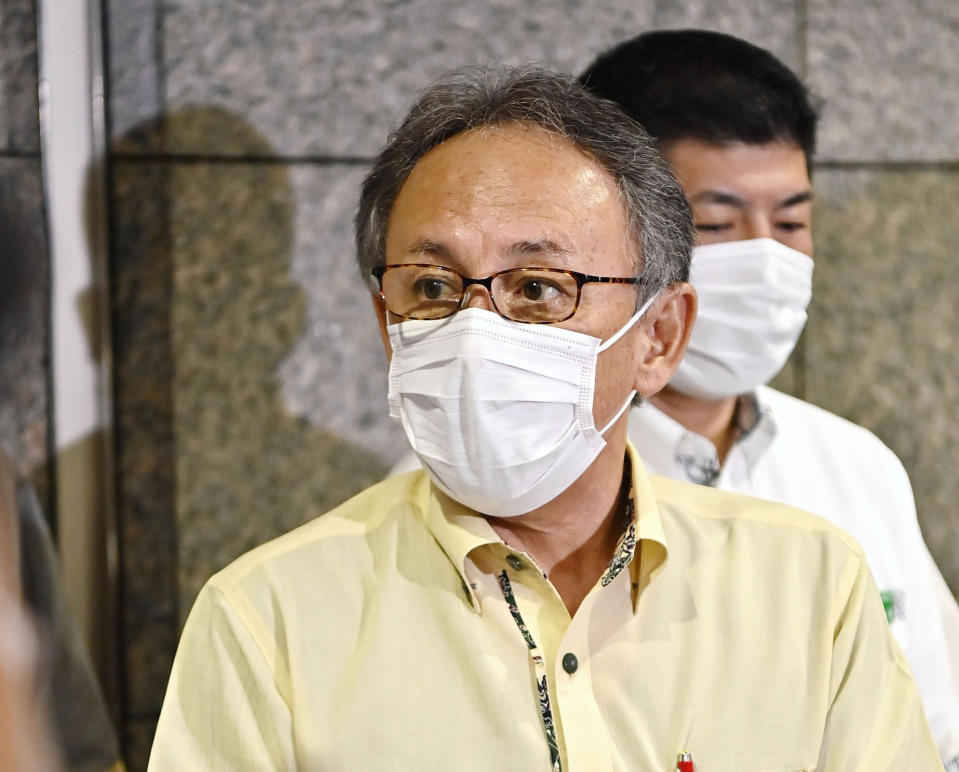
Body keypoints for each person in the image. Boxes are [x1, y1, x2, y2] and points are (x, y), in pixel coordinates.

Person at [148, 67, 941, 770]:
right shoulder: (268, 617)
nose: (474, 328)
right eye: (431, 287)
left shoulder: (807, 586)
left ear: (657, 337)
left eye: (537, 287)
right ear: (384, 320)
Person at [579, 28, 959, 768]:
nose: (767, 259)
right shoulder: (522, 475)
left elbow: (939, 732)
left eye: (790, 221)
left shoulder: (856, 466)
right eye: (717, 224)